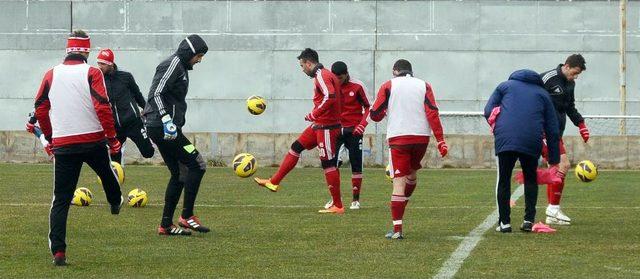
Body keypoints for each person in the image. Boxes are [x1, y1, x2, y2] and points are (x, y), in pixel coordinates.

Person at [33, 30, 123, 266]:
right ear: (86, 51)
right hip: (92, 140)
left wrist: (51, 136)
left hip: (64, 144)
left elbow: (40, 107)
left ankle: (59, 253)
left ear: (67, 50)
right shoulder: (92, 72)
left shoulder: (51, 74)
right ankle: (115, 201)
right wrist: (112, 139)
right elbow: (102, 106)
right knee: (107, 172)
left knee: (61, 199)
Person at [254, 48, 344, 214]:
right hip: (320, 125)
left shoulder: (322, 75)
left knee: (328, 165)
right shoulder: (324, 75)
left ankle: (338, 205)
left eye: (302, 66)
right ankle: (274, 181)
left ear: (309, 63)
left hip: (327, 127)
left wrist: (314, 114)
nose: (302, 70)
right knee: (296, 147)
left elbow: (330, 96)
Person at [370, 59, 448, 239]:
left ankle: (397, 229)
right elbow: (432, 113)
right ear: (410, 72)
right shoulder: (424, 85)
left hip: (399, 137)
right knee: (411, 175)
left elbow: (374, 114)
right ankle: (401, 209)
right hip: (421, 137)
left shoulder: (389, 85)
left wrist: (385, 112)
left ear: (395, 70)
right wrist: (441, 140)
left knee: (398, 181)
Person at [143, 35, 209, 236]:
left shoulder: (180, 67)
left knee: (180, 173)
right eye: (198, 56)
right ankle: (187, 216)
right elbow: (155, 93)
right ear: (189, 52)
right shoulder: (173, 64)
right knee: (197, 164)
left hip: (165, 127)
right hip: (162, 127)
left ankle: (165, 225)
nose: (199, 60)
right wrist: (165, 119)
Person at [484, 69, 562, 233]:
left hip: (505, 137)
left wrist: (497, 126)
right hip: (531, 139)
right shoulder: (543, 93)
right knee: (531, 178)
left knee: (503, 179)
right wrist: (554, 158)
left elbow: (488, 110)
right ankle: (528, 220)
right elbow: (552, 128)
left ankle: (504, 223)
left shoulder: (504, 86)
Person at [539, 54, 588, 225]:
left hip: (556, 132)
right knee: (563, 164)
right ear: (566, 66)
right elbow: (530, 97)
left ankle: (552, 212)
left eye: (577, 75)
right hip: (542, 130)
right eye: (574, 73)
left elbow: (569, 107)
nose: (575, 77)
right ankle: (552, 209)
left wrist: (580, 123)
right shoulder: (547, 78)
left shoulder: (570, 84)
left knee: (554, 168)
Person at [322, 61, 370, 210]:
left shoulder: (358, 86)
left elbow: (369, 107)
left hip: (354, 131)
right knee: (331, 165)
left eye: (340, 78)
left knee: (356, 164)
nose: (338, 81)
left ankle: (355, 200)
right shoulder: (329, 86)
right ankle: (335, 199)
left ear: (346, 74)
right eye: (336, 78)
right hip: (335, 130)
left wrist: (362, 125)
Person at [96, 48, 154, 165]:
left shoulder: (126, 77)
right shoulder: (98, 79)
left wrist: (148, 112)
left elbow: (138, 96)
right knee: (114, 160)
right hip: (114, 127)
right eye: (99, 63)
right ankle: (117, 180)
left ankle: (147, 135)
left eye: (103, 63)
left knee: (148, 152)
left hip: (133, 122)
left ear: (110, 64)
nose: (99, 66)